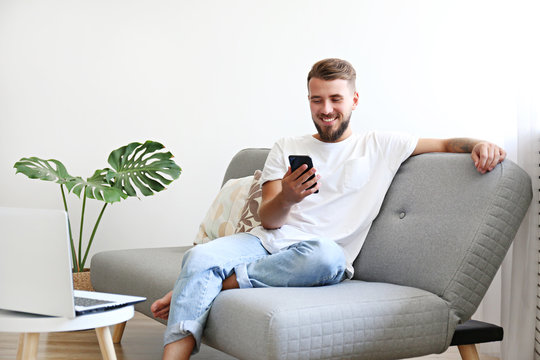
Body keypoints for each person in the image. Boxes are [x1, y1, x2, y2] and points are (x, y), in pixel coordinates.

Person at [151, 58, 506, 360]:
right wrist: (288, 196)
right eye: (316, 100)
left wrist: (480, 144)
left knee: (328, 256)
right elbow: (269, 222)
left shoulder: (381, 145)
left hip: (318, 257)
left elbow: (445, 142)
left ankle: (215, 284)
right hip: (266, 244)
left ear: (353, 99)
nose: (326, 110)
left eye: (335, 99)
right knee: (197, 260)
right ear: (308, 101)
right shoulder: (287, 146)